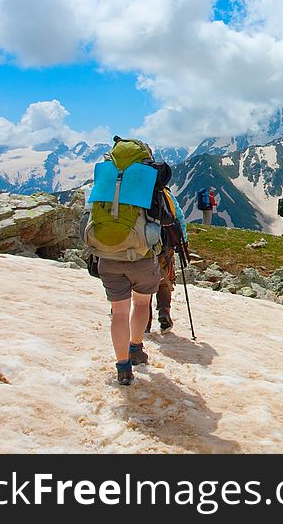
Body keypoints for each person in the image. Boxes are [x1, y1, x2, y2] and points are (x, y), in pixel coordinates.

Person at [85, 136, 169, 386]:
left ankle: (122, 367)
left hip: (107, 256)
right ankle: (136, 348)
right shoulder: (148, 179)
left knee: (118, 311)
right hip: (141, 255)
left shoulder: (106, 176)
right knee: (141, 304)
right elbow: (163, 216)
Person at [147, 180, 187, 334]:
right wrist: (183, 241)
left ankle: (144, 322)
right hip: (165, 245)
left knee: (143, 283)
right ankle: (164, 312)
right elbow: (179, 216)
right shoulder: (165, 193)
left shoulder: (137, 192)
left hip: (142, 244)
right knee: (164, 281)